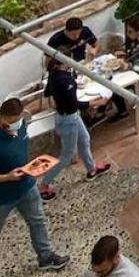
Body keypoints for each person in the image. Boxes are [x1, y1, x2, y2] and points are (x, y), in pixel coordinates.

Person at [0, 98, 70, 277]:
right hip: (2, 197)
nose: (14, 125)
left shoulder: (22, 126)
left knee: (37, 220)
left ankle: (45, 257)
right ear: (2, 119)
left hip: (26, 186)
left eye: (17, 120)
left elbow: (22, 152)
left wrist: (33, 168)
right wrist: (7, 177)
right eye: (10, 122)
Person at [39, 54, 111, 201]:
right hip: (68, 119)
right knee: (67, 155)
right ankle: (43, 185)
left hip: (67, 116)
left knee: (85, 139)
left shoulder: (53, 75)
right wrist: (96, 103)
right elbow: (74, 104)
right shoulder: (65, 80)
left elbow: (48, 93)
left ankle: (92, 169)